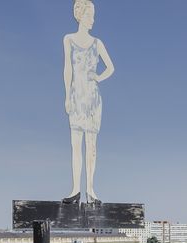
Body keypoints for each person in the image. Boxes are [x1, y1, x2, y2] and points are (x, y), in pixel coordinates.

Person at [62, 0, 114, 204]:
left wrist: (98, 77)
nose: (92, 19)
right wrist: (67, 95)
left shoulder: (97, 43)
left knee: (91, 146)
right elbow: (67, 69)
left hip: (92, 98)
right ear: (80, 15)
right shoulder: (68, 39)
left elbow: (110, 67)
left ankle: (91, 189)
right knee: (75, 144)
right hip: (77, 95)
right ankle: (75, 189)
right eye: (89, 15)